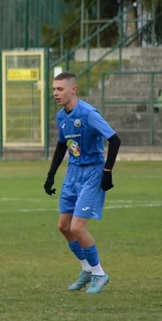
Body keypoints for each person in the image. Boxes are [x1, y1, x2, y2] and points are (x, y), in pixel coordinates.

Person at [43, 71, 121, 294]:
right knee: (64, 226)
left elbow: (114, 140)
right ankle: (86, 269)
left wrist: (107, 171)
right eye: (54, 89)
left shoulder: (87, 113)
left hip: (93, 172)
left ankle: (99, 273)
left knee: (78, 226)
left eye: (60, 89)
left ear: (73, 90)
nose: (55, 93)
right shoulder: (61, 116)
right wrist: (50, 175)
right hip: (72, 173)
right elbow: (62, 146)